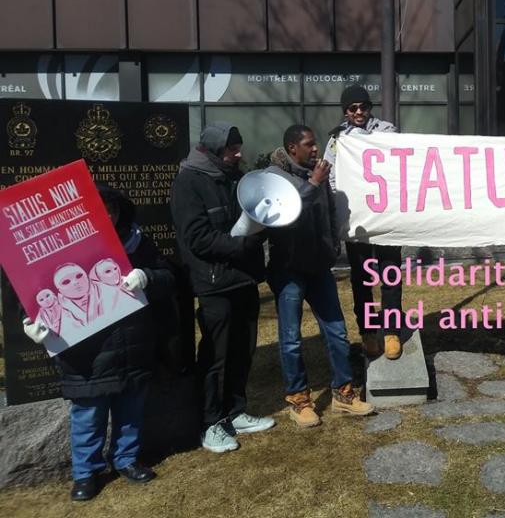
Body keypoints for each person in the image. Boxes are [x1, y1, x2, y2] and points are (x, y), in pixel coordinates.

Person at [22, 186, 175, 501]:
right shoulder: (56, 249)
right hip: (85, 356)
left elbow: (168, 277)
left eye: (112, 210)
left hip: (133, 343)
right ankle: (86, 473)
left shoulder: (136, 241)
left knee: (131, 410)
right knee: (88, 416)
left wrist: (147, 276)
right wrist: (32, 322)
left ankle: (127, 459)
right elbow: (31, 294)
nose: (107, 216)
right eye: (98, 209)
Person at [170, 122, 273, 454]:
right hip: (214, 282)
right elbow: (196, 238)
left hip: (242, 278)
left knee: (244, 348)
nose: (238, 153)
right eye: (232, 149)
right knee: (217, 354)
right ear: (214, 150)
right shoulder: (189, 182)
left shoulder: (233, 177)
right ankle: (210, 423)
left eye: (239, 147)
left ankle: (235, 411)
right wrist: (239, 245)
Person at [267, 125, 375, 427]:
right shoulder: (275, 177)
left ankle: (344, 393)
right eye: (309, 145)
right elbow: (284, 214)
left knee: (337, 332)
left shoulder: (318, 173)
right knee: (291, 339)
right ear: (292, 148)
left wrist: (332, 247)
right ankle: (299, 399)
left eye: (315, 144)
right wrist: (314, 184)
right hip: (288, 270)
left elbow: (328, 213)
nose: (316, 150)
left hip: (318, 267)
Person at [323, 85, 404, 360]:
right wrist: (340, 206)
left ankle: (392, 331)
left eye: (363, 107)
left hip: (386, 217)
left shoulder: (388, 131)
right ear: (345, 111)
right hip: (357, 219)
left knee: (391, 274)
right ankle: (368, 332)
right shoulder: (337, 138)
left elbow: (402, 166)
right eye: (352, 108)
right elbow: (330, 174)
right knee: (361, 278)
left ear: (370, 108)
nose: (358, 112)